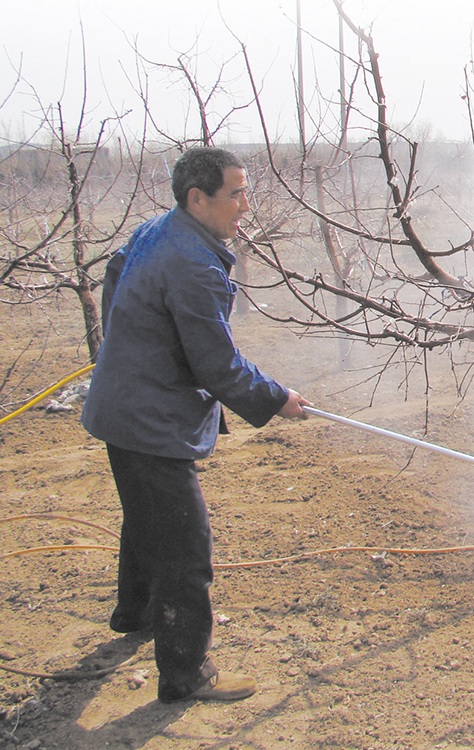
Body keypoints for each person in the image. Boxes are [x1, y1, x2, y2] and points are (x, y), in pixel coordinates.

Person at [82, 147, 311, 703]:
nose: (245, 205)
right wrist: (277, 398)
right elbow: (218, 364)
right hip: (148, 420)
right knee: (185, 548)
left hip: (125, 408)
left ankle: (135, 613)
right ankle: (186, 674)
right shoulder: (194, 264)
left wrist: (131, 340)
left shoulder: (159, 229)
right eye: (236, 193)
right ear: (197, 198)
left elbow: (114, 274)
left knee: (148, 516)